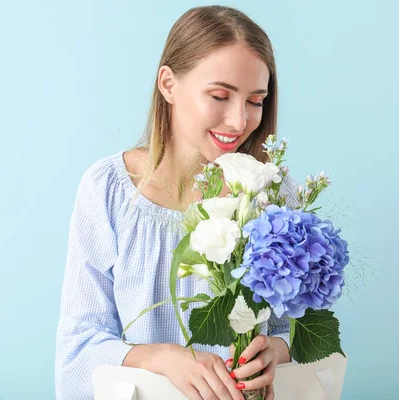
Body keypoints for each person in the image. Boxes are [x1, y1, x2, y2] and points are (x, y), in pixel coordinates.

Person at [54, 5, 299, 400]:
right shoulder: (108, 190)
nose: (240, 121)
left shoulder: (272, 193)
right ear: (168, 84)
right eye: (220, 95)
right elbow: (77, 352)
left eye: (256, 101)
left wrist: (278, 351)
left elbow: (305, 334)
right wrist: (162, 357)